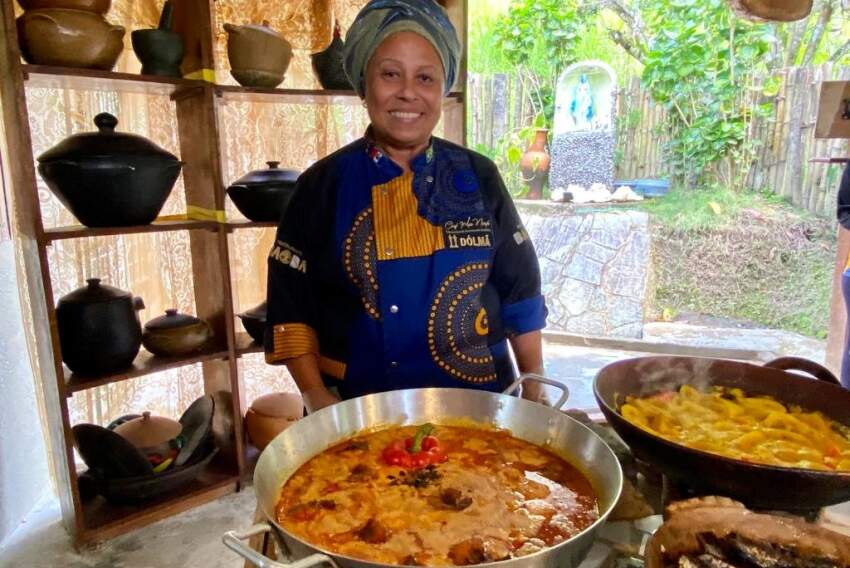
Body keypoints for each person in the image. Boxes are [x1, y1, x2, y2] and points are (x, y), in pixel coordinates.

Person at [264, 0, 548, 413]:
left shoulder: (478, 176)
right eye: (390, 74)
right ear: (365, 83)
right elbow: (290, 307)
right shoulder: (321, 186)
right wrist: (316, 398)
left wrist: (535, 388)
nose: (408, 92)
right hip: (359, 410)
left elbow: (521, 290)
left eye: (426, 77)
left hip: (483, 409)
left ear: (443, 87)